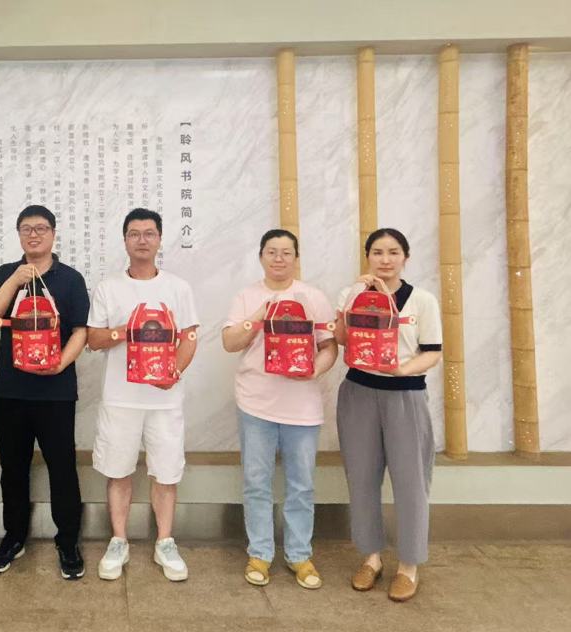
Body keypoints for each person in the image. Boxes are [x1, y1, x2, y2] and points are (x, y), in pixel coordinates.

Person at [86, 208, 199, 582]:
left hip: (165, 400)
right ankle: (118, 540)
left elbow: (190, 337)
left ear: (160, 239)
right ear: (124, 240)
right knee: (118, 471)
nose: (142, 240)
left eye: (149, 233)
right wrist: (126, 329)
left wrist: (174, 372)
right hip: (120, 399)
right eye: (134, 233)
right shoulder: (108, 288)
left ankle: (165, 541)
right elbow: (93, 339)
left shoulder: (178, 288)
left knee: (166, 472)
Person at [221, 229, 337, 590]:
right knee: (256, 483)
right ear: (261, 257)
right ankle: (260, 553)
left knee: (301, 485)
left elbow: (330, 346)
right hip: (255, 403)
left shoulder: (314, 298)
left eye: (286, 252)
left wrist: (312, 371)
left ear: (296, 259)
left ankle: (300, 554)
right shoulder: (247, 296)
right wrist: (260, 314)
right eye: (272, 251)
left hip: (302, 407)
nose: (279, 259)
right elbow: (229, 342)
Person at [333, 228, 443, 602]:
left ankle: (409, 565)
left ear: (405, 258)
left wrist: (403, 370)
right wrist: (354, 300)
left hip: (405, 396)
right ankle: (371, 558)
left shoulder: (422, 300)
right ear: (368, 257)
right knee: (362, 478)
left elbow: (433, 351)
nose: (385, 259)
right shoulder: (353, 294)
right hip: (358, 393)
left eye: (393, 252)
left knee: (411, 481)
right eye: (377, 252)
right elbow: (342, 339)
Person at [0, 205, 90, 579]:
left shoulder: (70, 279)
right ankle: (14, 537)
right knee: (13, 469)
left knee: (62, 468)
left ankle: (68, 542)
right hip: (12, 391)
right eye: (26, 229)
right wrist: (14, 280)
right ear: (18, 234)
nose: (34, 235)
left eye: (41, 228)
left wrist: (60, 363)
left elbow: (81, 331)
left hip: (56, 391)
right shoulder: (6, 274)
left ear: (53, 234)